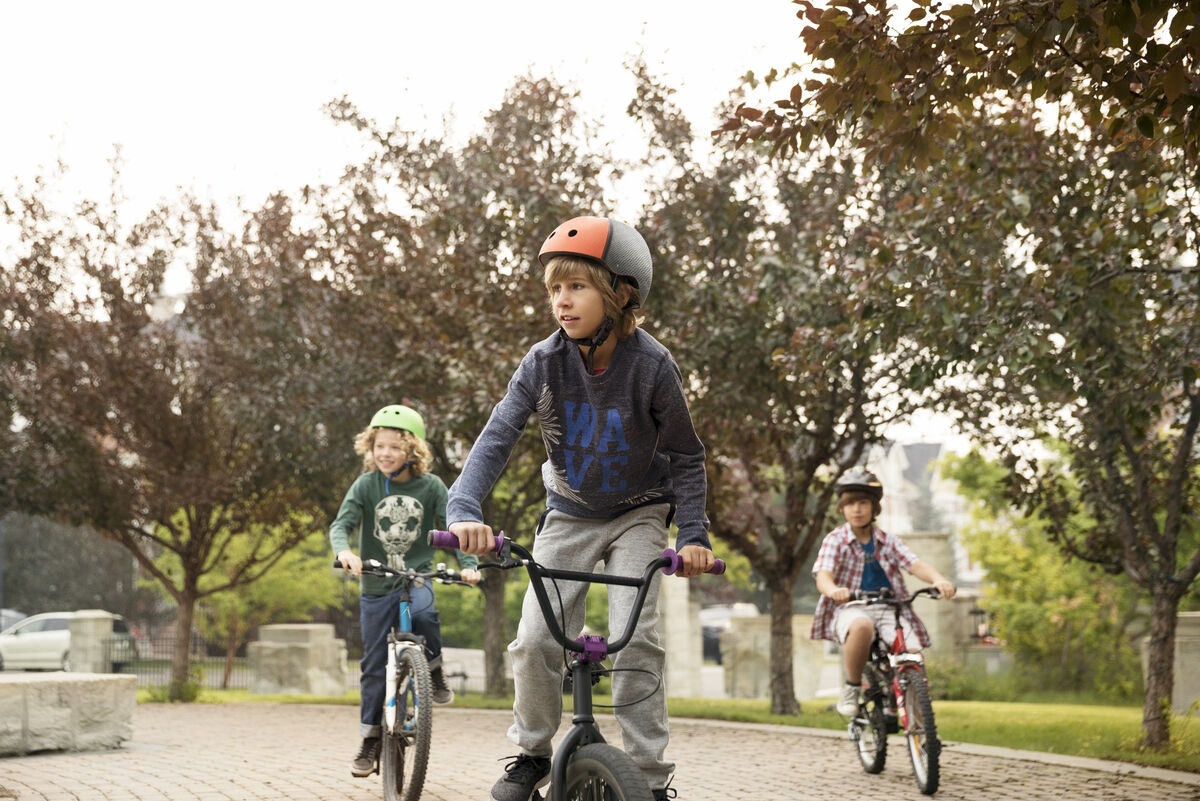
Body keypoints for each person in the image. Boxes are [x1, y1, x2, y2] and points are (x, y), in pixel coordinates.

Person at [446, 216, 716, 801]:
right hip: (567, 513)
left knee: (636, 638)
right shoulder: (542, 364)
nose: (562, 301)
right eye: (554, 289)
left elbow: (687, 458)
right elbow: (497, 437)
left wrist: (693, 535)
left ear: (620, 294)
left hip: (639, 513)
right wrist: (463, 508)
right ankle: (532, 753)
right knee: (537, 640)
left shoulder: (652, 367)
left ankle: (646, 778)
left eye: (577, 287)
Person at [329, 404, 481, 777]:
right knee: (372, 667)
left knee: (427, 614)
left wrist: (470, 567)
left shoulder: (431, 487)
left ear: (412, 450)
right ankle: (370, 738)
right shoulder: (365, 486)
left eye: (394, 447)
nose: (384, 453)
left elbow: (455, 529)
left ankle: (434, 669)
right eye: (379, 446)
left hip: (418, 578)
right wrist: (345, 551)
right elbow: (341, 525)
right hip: (376, 584)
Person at [811, 467, 956, 717]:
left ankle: (922, 728)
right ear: (842, 509)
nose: (857, 509)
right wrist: (834, 590)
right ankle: (852, 687)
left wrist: (939, 579)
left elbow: (914, 564)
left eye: (863, 503)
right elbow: (823, 575)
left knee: (912, 657)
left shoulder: (888, 541)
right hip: (851, 607)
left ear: (874, 508)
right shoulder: (835, 540)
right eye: (850, 504)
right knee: (862, 626)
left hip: (889, 608)